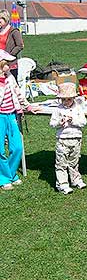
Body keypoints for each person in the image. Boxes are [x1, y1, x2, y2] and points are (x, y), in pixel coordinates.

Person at [0, 49, 39, 190]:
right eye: (7, 64)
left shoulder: (10, 76)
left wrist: (27, 107)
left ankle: (8, 174)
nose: (10, 66)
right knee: (0, 150)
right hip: (0, 117)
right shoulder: (3, 80)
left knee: (17, 147)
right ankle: (4, 178)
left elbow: (18, 93)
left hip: (11, 115)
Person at [49, 83, 87, 195]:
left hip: (76, 138)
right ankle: (62, 184)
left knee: (74, 161)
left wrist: (73, 121)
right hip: (62, 139)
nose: (66, 102)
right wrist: (59, 123)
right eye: (63, 99)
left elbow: (83, 122)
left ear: (74, 98)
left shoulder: (78, 108)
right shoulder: (57, 109)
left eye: (69, 99)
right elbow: (52, 123)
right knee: (61, 162)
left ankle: (76, 180)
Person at [0, 9, 23, 80]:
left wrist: (8, 57)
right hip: (0, 64)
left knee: (11, 85)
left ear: (5, 19)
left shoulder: (14, 31)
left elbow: (20, 45)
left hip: (10, 64)